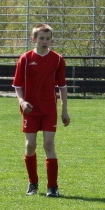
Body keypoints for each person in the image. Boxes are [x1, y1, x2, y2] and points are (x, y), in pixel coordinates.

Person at [13, 23, 70, 197]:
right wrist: (22, 101)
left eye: (48, 38)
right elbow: (17, 85)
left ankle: (52, 187)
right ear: (34, 39)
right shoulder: (25, 59)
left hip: (48, 109)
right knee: (30, 145)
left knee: (49, 144)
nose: (45, 41)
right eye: (41, 38)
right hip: (30, 110)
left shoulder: (57, 59)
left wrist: (64, 110)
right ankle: (32, 183)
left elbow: (62, 86)